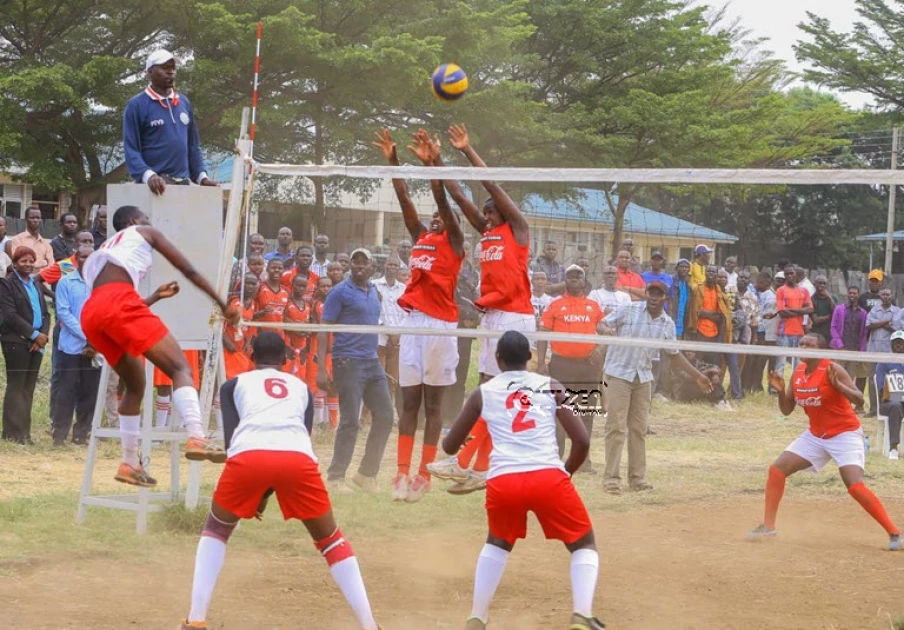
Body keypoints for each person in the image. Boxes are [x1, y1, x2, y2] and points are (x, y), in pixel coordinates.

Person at [178, 332, 382, 630]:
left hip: (249, 455)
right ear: (286, 361)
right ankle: (370, 625)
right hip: (297, 458)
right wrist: (265, 492)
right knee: (331, 540)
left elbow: (233, 440)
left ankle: (196, 620)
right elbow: (301, 437)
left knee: (216, 531)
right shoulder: (301, 387)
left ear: (250, 356)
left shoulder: (234, 384)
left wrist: (257, 495)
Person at [441, 331, 605, 630]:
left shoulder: (483, 393)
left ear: (498, 359)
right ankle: (582, 613)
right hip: (548, 478)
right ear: (530, 358)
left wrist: (467, 432)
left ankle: (477, 616)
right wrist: (565, 473)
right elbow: (581, 440)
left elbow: (449, 447)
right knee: (583, 544)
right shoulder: (551, 386)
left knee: (498, 543)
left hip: (504, 481)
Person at [80, 205, 235, 486]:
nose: (150, 223)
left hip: (92, 312)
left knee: (135, 384)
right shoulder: (144, 232)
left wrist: (153, 297)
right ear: (133, 221)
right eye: (146, 218)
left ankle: (129, 462)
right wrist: (223, 305)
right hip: (118, 302)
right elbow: (188, 270)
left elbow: (109, 303)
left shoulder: (108, 248)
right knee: (179, 367)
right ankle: (197, 435)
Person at [426, 123, 534, 495]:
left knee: (491, 391)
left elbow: (492, 187)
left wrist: (467, 150)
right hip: (493, 318)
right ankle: (478, 468)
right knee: (489, 390)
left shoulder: (517, 230)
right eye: (484, 215)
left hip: (515, 318)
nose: (486, 217)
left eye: (491, 213)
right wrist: (436, 160)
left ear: (503, 213)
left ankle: (471, 464)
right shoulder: (488, 233)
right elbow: (459, 196)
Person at [375, 128, 466, 502]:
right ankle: (400, 474)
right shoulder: (422, 238)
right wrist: (394, 160)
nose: (434, 220)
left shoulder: (455, 242)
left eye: (441, 217)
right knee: (408, 403)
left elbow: (442, 203)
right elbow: (403, 199)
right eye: (432, 218)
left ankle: (424, 476)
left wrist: (433, 166)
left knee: (433, 407)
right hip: (413, 323)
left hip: (441, 325)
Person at [748, 333, 902, 551]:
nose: (803, 347)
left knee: (855, 486)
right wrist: (781, 391)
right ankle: (768, 527)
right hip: (816, 435)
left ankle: (895, 532)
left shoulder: (833, 369)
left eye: (809, 344)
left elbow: (859, 399)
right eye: (801, 343)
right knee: (777, 470)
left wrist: (838, 386)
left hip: (845, 434)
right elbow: (787, 410)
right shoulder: (798, 372)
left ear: (821, 349)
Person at [600, 282, 712, 494]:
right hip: (618, 374)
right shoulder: (629, 309)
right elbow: (602, 324)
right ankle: (611, 480)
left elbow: (674, 354)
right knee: (616, 427)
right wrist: (606, 330)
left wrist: (697, 376)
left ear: (665, 299)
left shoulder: (666, 324)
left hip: (643, 378)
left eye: (658, 294)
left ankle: (637, 479)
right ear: (646, 294)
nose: (653, 297)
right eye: (651, 292)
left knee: (639, 430)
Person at [318, 248, 394, 493]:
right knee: (350, 421)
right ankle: (335, 477)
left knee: (385, 416)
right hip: (347, 362)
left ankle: (365, 474)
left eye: (365, 262)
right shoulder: (339, 292)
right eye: (355, 261)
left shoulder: (374, 291)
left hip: (371, 361)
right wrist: (321, 367)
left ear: (373, 267)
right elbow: (323, 328)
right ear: (350, 265)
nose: (359, 265)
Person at [537, 265, 606, 467]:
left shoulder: (594, 306)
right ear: (564, 280)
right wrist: (541, 363)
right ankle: (555, 459)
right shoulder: (555, 304)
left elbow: (605, 330)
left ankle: (583, 460)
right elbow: (542, 335)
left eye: (578, 275)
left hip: (587, 365)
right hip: (561, 365)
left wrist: (601, 348)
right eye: (570, 276)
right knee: (559, 412)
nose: (574, 278)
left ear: (584, 281)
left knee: (586, 412)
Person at [123, 50, 215, 194]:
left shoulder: (183, 102)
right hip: (152, 186)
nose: (171, 72)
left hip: (183, 185)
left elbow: (193, 146)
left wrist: (202, 177)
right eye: (165, 68)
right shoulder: (136, 105)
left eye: (173, 68)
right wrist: (148, 175)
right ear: (150, 71)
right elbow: (131, 150)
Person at [50, 245, 102, 446]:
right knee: (66, 391)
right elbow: (63, 313)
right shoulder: (66, 281)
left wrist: (94, 340)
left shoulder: (100, 283)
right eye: (83, 256)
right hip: (71, 346)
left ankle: (81, 435)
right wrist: (86, 336)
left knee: (89, 392)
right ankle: (59, 435)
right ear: (76, 259)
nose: (87, 260)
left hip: (94, 348)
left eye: (91, 257)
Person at [0, 247, 51, 444]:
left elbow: (46, 313)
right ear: (15, 263)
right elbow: (10, 315)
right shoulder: (7, 284)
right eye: (23, 261)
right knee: (16, 386)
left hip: (37, 343)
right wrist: (34, 335)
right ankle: (12, 434)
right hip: (15, 341)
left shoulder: (36, 284)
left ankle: (25, 433)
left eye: (31, 261)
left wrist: (43, 335)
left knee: (28, 388)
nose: (28, 264)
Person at [863, 288, 899, 417]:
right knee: (872, 380)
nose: (885, 296)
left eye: (888, 294)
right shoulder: (874, 310)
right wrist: (885, 322)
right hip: (874, 350)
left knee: (892, 379)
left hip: (890, 352)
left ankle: (893, 408)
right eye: (883, 294)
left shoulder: (897, 312)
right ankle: (873, 409)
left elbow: (897, 330)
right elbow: (869, 326)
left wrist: (882, 324)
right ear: (880, 296)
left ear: (891, 296)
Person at [775, 263, 814, 375]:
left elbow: (810, 309)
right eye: (787, 274)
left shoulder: (804, 291)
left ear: (796, 274)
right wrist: (801, 310)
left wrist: (792, 309)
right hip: (784, 332)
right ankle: (776, 390)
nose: (789, 276)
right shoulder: (781, 290)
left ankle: (796, 389)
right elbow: (782, 312)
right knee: (780, 363)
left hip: (799, 331)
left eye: (791, 273)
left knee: (798, 364)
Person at [223, 273, 258, 381]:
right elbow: (217, 322)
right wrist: (225, 340)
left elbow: (252, 326)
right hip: (228, 347)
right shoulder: (231, 300)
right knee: (226, 378)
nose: (250, 286)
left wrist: (248, 343)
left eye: (253, 283)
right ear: (241, 284)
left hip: (241, 348)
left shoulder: (254, 304)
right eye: (248, 283)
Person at [876, 331, 904, 460]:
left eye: (901, 343)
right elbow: (881, 387)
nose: (899, 345)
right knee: (896, 405)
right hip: (889, 401)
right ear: (891, 345)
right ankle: (893, 447)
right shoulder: (884, 362)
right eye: (896, 343)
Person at [669, 259, 692, 338]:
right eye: (682, 266)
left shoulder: (688, 286)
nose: (684, 269)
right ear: (677, 268)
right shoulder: (670, 281)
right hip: (671, 319)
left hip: (682, 322)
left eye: (686, 267)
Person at [809, 275, 835, 341]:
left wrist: (829, 298)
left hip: (830, 333)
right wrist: (829, 316)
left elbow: (835, 313)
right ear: (815, 284)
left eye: (824, 283)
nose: (822, 285)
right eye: (820, 283)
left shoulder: (833, 298)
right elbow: (816, 320)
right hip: (816, 333)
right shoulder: (812, 299)